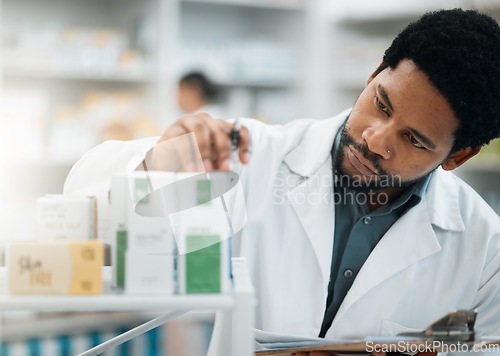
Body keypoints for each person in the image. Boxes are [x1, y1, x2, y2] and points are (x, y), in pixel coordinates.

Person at [64, 9, 500, 355]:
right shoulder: (250, 157)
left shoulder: (484, 249)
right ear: (374, 74)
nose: (374, 139)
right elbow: (97, 227)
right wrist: (155, 165)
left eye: (413, 140)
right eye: (381, 105)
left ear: (458, 156)